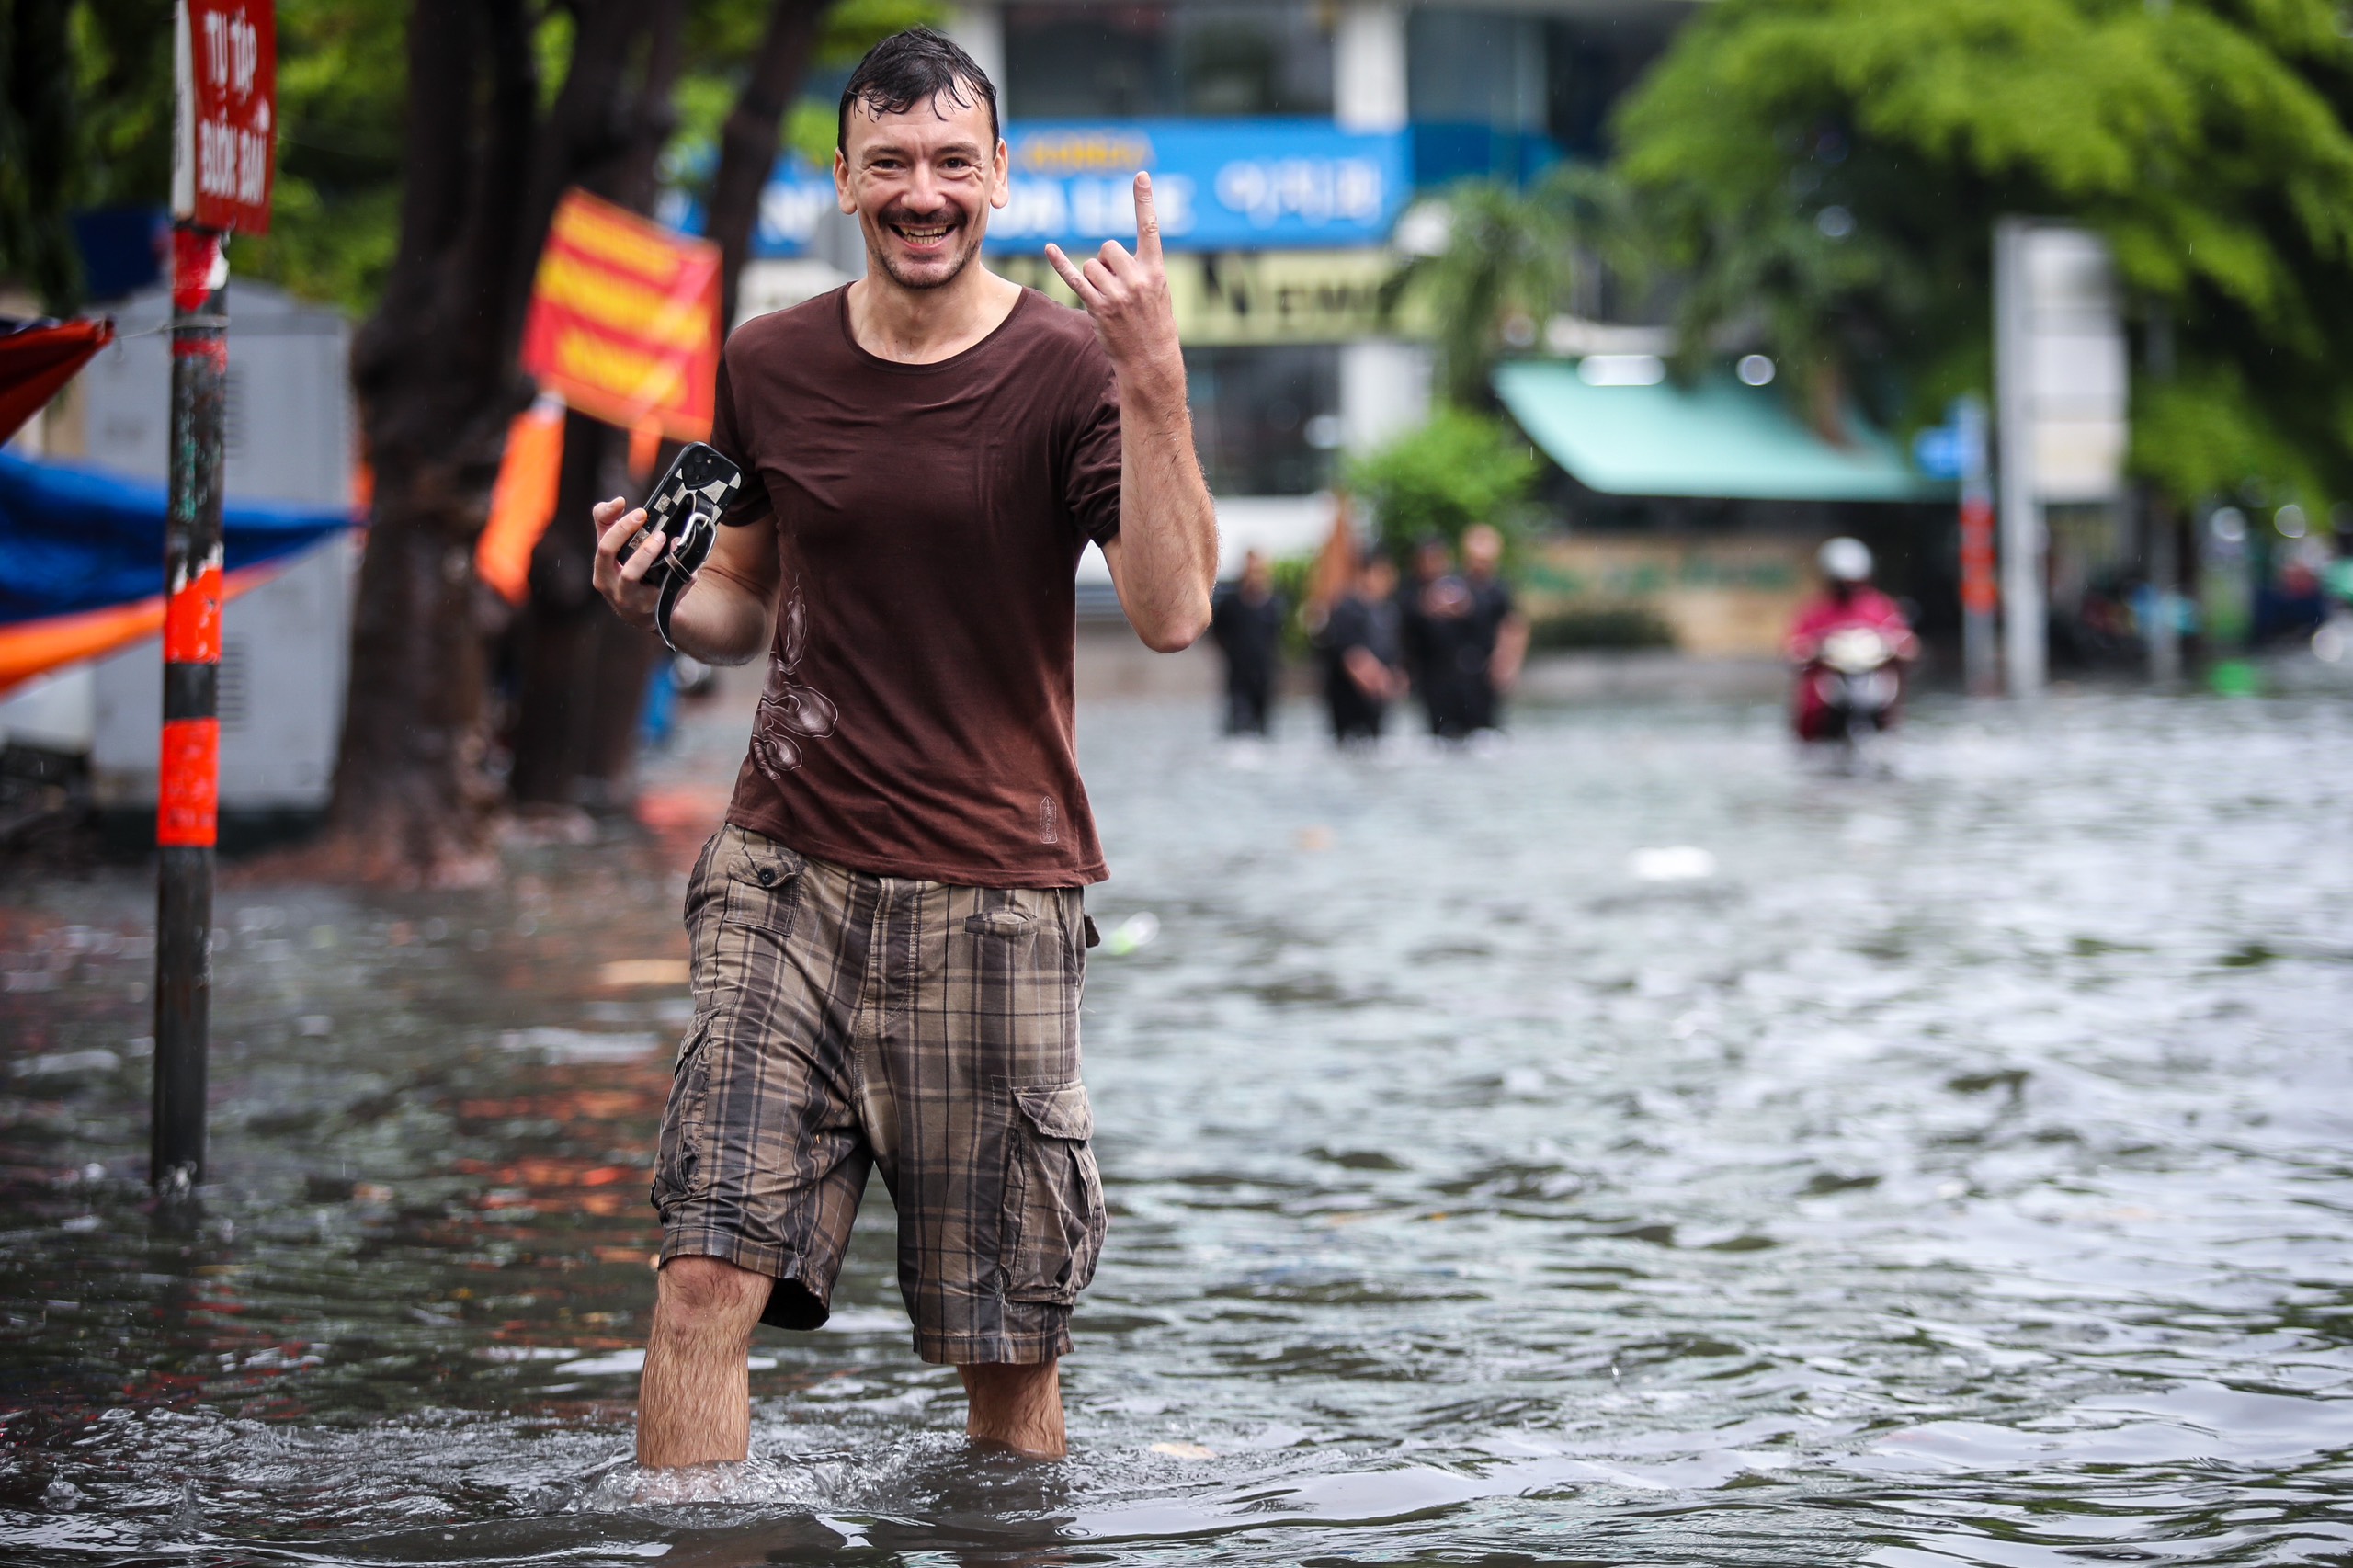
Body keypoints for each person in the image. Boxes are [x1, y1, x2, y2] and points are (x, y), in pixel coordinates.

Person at [589, 28, 1216, 1467]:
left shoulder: (1074, 369)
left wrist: (1157, 381)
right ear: (844, 179)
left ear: (996, 176)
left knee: (1007, 1345)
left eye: (951, 163)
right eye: (890, 164)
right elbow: (745, 596)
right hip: (781, 877)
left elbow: (1174, 611)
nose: (921, 192)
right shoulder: (770, 359)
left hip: (995, 893)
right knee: (699, 1272)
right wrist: (663, 599)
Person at [1786, 537, 1919, 742]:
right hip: (1822, 707)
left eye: (1854, 582)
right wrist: (1814, 650)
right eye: (1841, 582)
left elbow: (1908, 645)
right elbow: (1795, 650)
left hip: (1873, 690)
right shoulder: (1815, 611)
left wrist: (1895, 647)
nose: (1849, 588)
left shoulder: (1881, 607)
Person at [1319, 554, 1405, 744]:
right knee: (1351, 742)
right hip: (1349, 695)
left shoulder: (1389, 610)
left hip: (1378, 697)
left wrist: (1396, 675)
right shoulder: (1347, 608)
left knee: (1375, 743)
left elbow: (1394, 649)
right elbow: (1350, 655)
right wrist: (1376, 677)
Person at [1457, 524, 1529, 734]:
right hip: (1457, 670)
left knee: (1488, 729)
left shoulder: (1500, 589)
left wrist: (1509, 664)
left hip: (1489, 668)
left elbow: (1514, 626)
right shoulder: (1456, 586)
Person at [1210, 549, 1287, 736]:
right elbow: (1217, 634)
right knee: (1239, 725)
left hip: (1265, 676)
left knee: (1263, 729)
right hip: (1238, 676)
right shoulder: (1231, 605)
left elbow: (1276, 638)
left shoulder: (1274, 605)